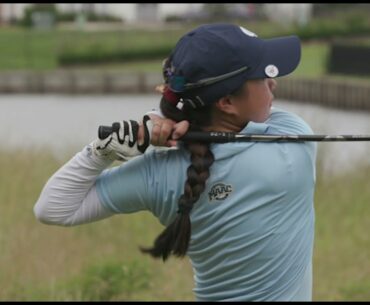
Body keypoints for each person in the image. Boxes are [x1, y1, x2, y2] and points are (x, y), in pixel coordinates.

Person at [34, 23, 317, 301]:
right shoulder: (292, 148)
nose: (273, 83)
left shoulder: (160, 174)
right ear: (227, 102)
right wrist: (171, 120)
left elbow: (53, 208)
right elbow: (264, 116)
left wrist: (105, 150)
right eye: (262, 77)